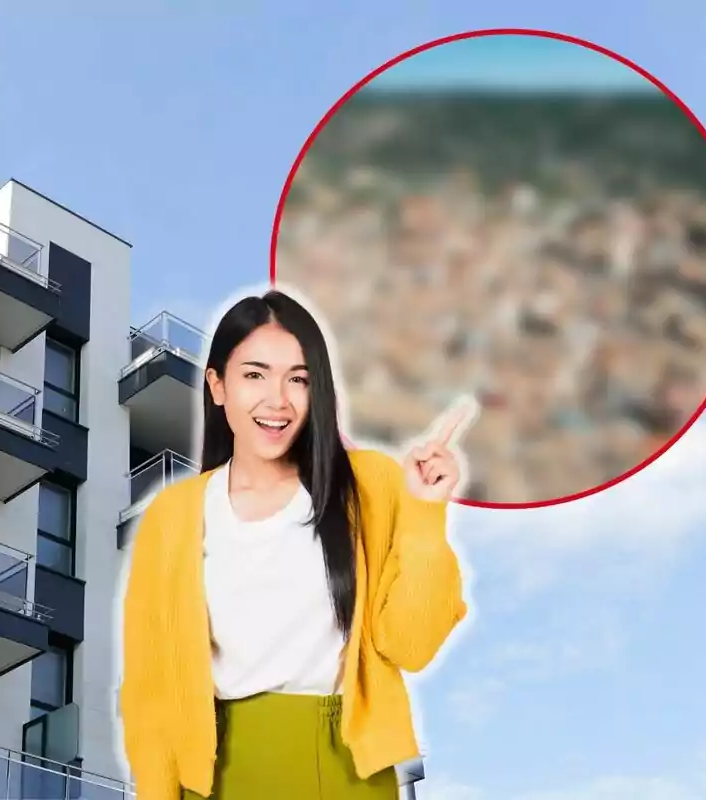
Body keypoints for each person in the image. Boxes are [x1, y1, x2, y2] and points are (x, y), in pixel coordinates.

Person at [120, 289, 472, 799]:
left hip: (345, 767)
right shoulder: (172, 518)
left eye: (299, 379)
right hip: (213, 773)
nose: (277, 400)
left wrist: (423, 513)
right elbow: (149, 694)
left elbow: (410, 646)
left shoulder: (370, 484)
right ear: (217, 386)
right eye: (254, 375)